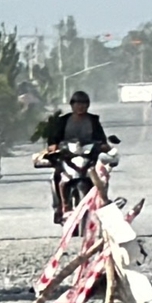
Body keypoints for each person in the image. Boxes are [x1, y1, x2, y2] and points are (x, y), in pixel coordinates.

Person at [40, 92, 111, 223]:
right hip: (67, 156)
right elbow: (53, 139)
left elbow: (101, 139)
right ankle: (60, 207)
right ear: (72, 105)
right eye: (77, 103)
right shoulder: (62, 121)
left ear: (88, 105)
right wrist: (53, 146)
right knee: (56, 176)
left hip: (88, 157)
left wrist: (104, 146)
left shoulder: (93, 120)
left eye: (84, 104)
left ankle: (103, 203)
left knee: (102, 177)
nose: (80, 107)